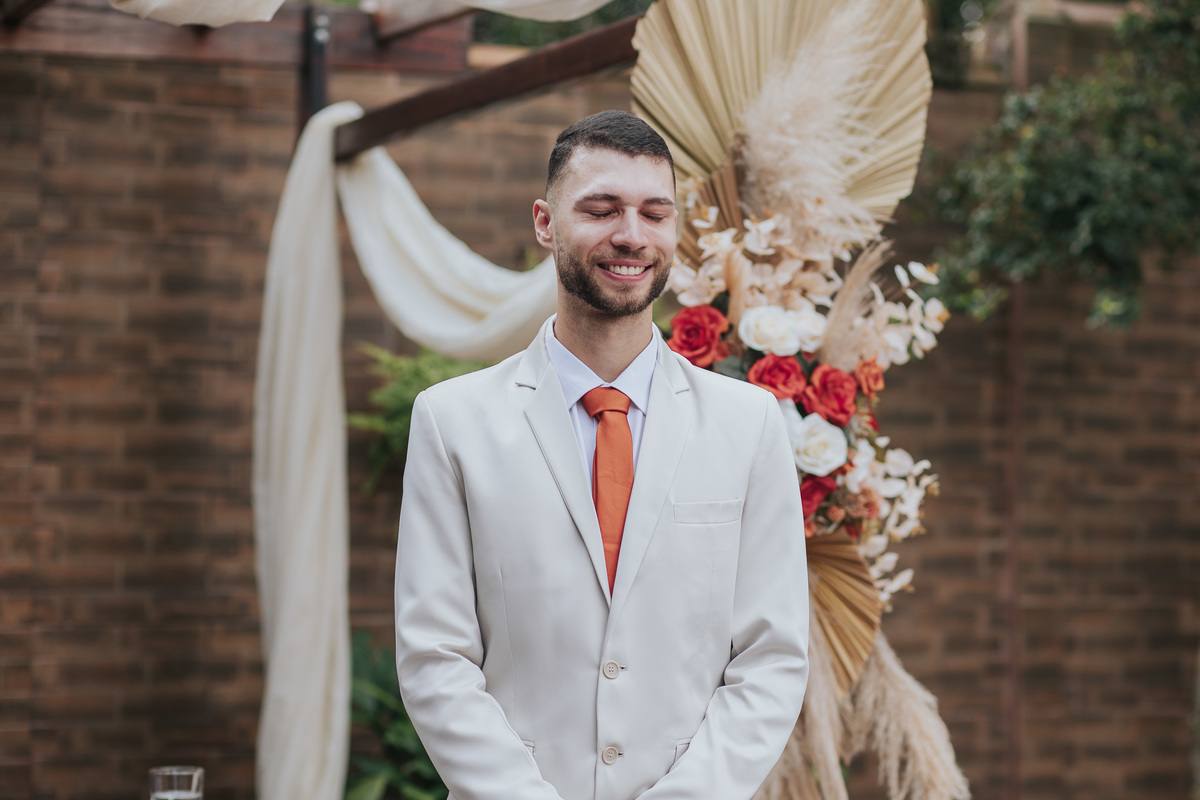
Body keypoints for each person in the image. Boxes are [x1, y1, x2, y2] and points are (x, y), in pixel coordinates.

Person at [394, 110, 809, 800]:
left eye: (655, 213)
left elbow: (772, 658)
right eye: (601, 209)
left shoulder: (749, 423)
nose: (631, 235)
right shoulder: (451, 422)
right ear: (545, 223)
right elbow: (435, 657)